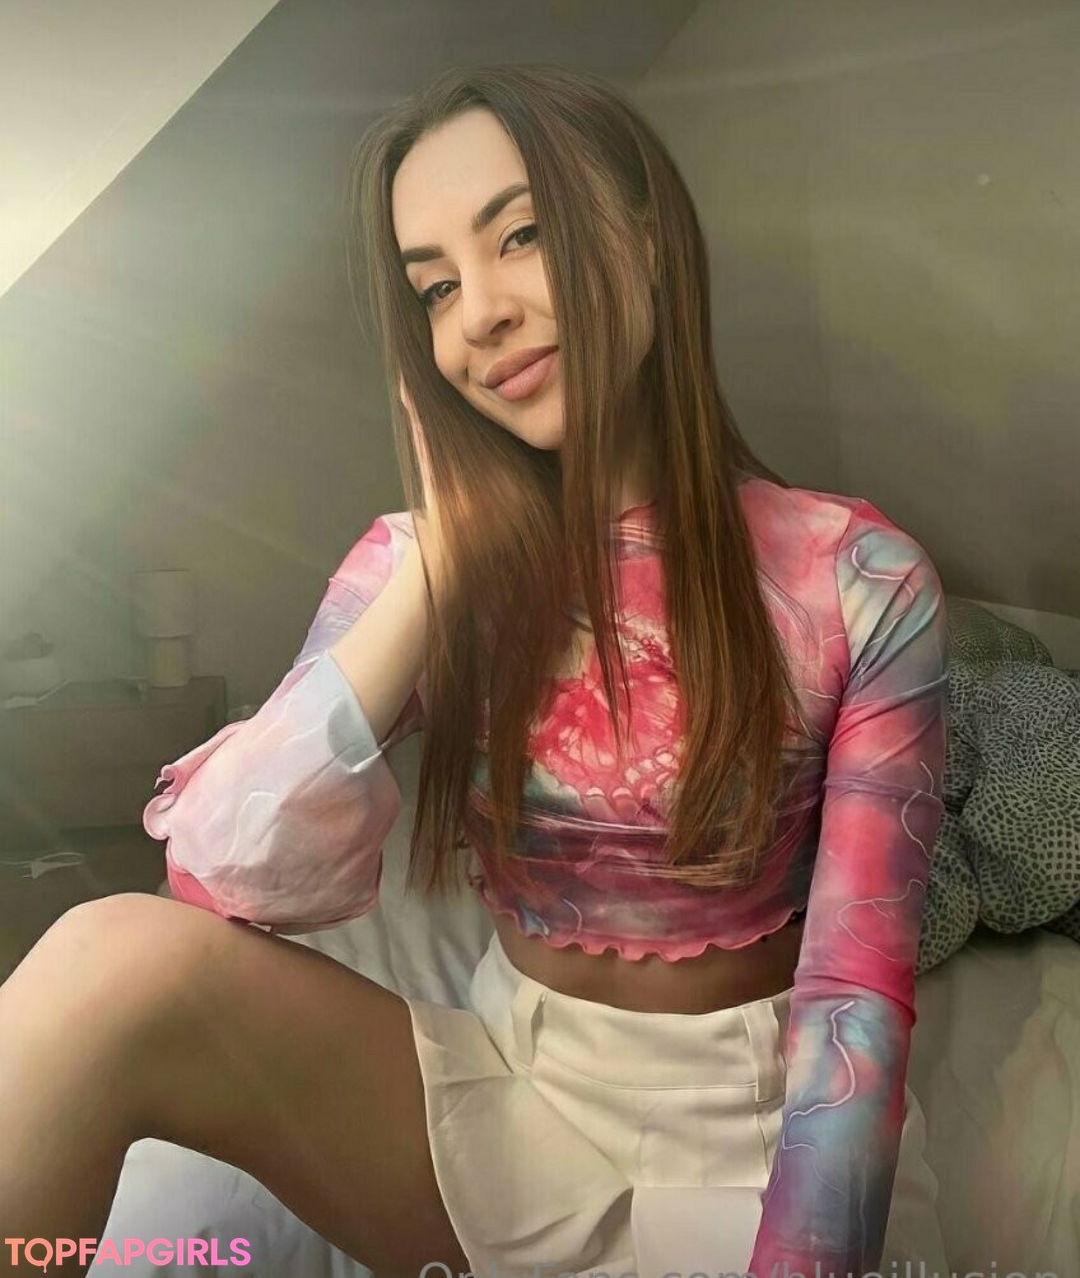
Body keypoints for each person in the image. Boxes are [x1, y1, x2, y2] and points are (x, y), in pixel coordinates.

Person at [0, 64, 952, 1278]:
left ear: (646, 237)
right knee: (105, 961)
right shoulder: (409, 568)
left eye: (522, 236)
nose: (479, 316)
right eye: (436, 288)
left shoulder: (857, 579)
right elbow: (216, 878)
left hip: (758, 1146)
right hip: (516, 1106)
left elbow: (855, 997)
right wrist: (443, 559)